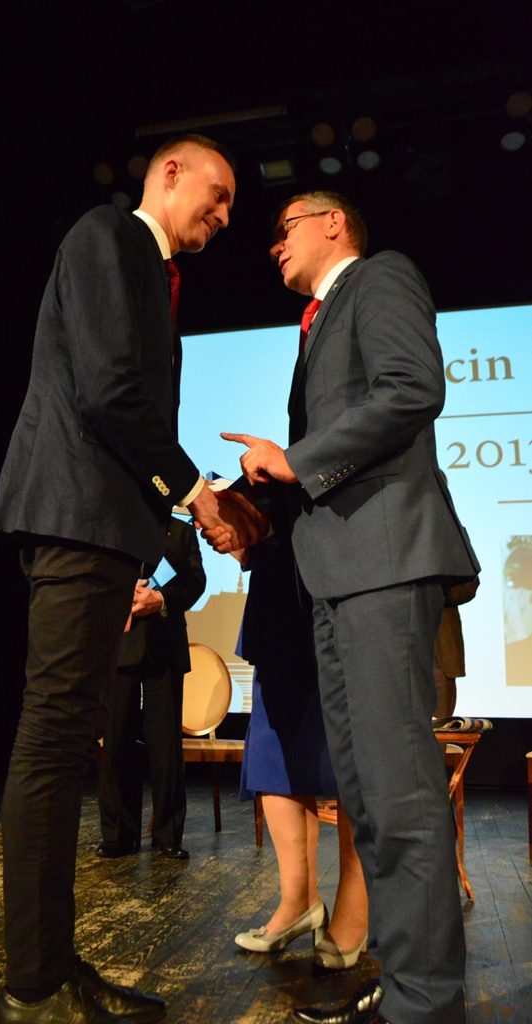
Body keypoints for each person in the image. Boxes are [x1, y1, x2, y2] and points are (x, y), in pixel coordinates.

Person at [0, 134, 263, 1024]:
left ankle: (51, 968)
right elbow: (109, 392)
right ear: (169, 173)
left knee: (65, 741)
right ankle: (32, 990)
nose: (224, 216)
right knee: (52, 741)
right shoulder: (107, 235)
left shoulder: (146, 265)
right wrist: (197, 495)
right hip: (76, 516)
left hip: (99, 525)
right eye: (217, 194)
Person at [208, 191, 481, 1024]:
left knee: (397, 796)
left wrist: (293, 460)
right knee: (366, 796)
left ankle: (425, 1003)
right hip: (332, 579)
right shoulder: (317, 325)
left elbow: (411, 389)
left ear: (332, 224)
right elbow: (325, 468)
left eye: (282, 228)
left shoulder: (380, 276)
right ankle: (404, 985)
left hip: (383, 567)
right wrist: (252, 510)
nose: (271, 246)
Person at [233, 539, 368, 967]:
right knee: (275, 747)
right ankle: (298, 901)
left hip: (347, 566)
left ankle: (356, 906)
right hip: (279, 581)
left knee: (358, 753)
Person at [97, 516, 205, 861]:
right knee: (116, 743)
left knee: (166, 748)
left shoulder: (181, 531)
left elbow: (196, 581)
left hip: (165, 647)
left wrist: (161, 599)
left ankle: (168, 835)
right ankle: (118, 835)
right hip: (120, 645)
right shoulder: (114, 523)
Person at [433, 578, 480, 719]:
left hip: (439, 653)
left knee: (440, 725)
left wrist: (430, 592)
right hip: (395, 647)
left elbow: (468, 586)